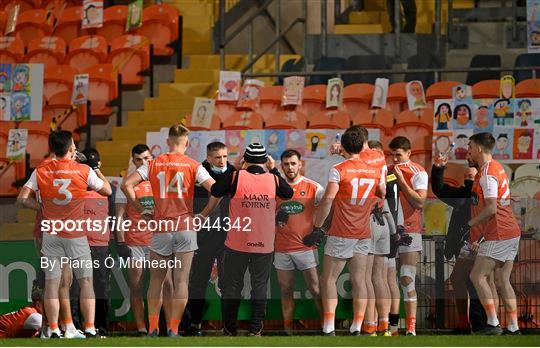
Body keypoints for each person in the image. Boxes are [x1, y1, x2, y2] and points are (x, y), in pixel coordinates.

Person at [122, 124, 216, 337]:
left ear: (167, 142)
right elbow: (216, 191)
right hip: (184, 227)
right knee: (181, 280)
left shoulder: (153, 164)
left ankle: (153, 327)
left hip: (160, 228)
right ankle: (173, 328)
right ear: (187, 143)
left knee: (156, 280)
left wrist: (141, 209)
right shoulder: (193, 165)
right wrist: (203, 215)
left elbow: (126, 185)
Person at [17, 130, 112, 338]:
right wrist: (91, 170)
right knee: (86, 281)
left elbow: (22, 199)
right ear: (71, 148)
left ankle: (52, 329)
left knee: (52, 282)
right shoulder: (82, 169)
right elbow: (107, 190)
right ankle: (89, 328)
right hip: (76, 234)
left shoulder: (40, 170)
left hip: (51, 234)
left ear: (51, 149)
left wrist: (42, 207)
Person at [304, 127, 384, 336]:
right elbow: (381, 189)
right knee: (360, 280)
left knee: (328, 279)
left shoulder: (339, 169)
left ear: (344, 145)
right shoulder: (375, 166)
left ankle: (328, 326)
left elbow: (328, 199)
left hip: (341, 231)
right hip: (363, 230)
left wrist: (318, 225)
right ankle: (357, 326)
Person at [209, 143, 293, 336]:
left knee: (232, 287)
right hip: (263, 244)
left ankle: (230, 329)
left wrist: (236, 167)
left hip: (236, 243)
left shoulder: (235, 176)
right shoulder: (273, 179)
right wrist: (274, 169)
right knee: (259, 287)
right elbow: (289, 194)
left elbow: (215, 190)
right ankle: (255, 330)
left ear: (245, 159)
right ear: (265, 161)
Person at [115, 144, 173, 336]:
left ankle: (170, 329)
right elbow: (120, 217)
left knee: (167, 285)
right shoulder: (126, 184)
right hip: (135, 243)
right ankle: (142, 329)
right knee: (137, 288)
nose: (143, 163)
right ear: (133, 161)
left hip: (159, 241)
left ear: (152, 158)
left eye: (147, 159)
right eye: (139, 160)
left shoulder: (161, 181)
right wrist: (121, 243)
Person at [467, 132, 522, 335]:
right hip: (511, 231)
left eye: (470, 146)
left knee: (477, 276)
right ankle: (514, 328)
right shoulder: (496, 167)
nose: (469, 150)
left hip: (499, 231)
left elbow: (491, 208)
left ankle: (492, 323)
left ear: (479, 149)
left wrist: (470, 223)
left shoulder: (488, 171)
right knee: (501, 280)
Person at [431, 153, 489, 334]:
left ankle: (482, 324)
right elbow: (439, 189)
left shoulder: (483, 194)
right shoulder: (463, 195)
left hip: (480, 244)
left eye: (471, 177)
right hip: (464, 245)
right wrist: (439, 169)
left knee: (477, 283)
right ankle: (471, 324)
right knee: (467, 282)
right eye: (466, 178)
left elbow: (492, 218)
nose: (469, 181)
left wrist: (481, 240)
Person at [186, 141, 236, 336]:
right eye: (217, 157)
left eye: (225, 156)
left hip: (227, 236)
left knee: (227, 282)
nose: (222, 161)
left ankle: (228, 328)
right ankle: (195, 325)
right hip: (203, 237)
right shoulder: (197, 173)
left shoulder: (233, 173)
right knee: (198, 282)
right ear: (208, 158)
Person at [274, 149, 324, 336]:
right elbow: (267, 216)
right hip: (281, 248)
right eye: (286, 164)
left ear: (300, 164)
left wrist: (320, 230)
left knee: (316, 289)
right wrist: (275, 216)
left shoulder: (314, 188)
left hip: (306, 248)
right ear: (281, 166)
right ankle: (288, 332)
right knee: (285, 290)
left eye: (293, 163)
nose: (290, 167)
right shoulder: (276, 189)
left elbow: (330, 209)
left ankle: (326, 327)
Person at [388, 136, 428, 336]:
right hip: (387, 232)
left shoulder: (418, 172)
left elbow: (420, 202)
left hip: (410, 231)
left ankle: (411, 328)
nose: (395, 159)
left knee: (406, 278)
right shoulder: (387, 171)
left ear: (409, 153)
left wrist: (402, 180)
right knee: (386, 281)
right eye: (392, 155)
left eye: (398, 155)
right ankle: (391, 327)